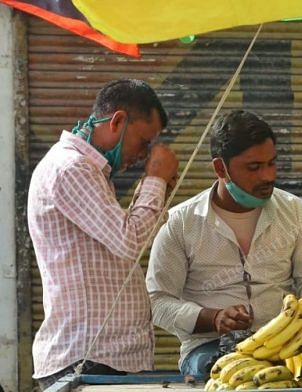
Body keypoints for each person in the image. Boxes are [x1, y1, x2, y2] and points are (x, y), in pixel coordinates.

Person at [146, 110, 302, 380]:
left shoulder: (294, 211)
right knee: (224, 377)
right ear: (221, 168)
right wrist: (214, 317)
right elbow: (158, 302)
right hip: (209, 348)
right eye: (254, 167)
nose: (267, 176)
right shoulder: (182, 223)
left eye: (271, 163)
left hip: (284, 342)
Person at [27, 79, 179, 390]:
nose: (143, 154)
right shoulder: (71, 168)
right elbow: (129, 241)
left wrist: (156, 187)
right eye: (143, 141)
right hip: (86, 360)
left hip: (107, 360)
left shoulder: (90, 172)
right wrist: (154, 180)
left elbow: (122, 238)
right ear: (118, 121)